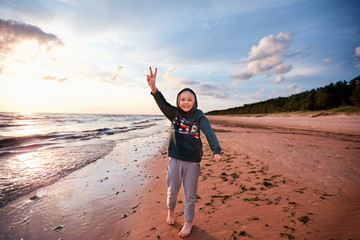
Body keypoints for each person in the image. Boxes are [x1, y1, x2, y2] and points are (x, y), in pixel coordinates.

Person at [147, 66, 222, 237]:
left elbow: (209, 132)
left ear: (195, 102)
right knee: (172, 190)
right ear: (178, 101)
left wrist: (216, 150)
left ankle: (189, 222)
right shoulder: (174, 114)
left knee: (189, 195)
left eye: (189, 99)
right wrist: (153, 88)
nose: (186, 102)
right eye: (182, 99)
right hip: (175, 160)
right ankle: (170, 212)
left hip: (193, 163)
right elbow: (162, 103)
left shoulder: (199, 116)